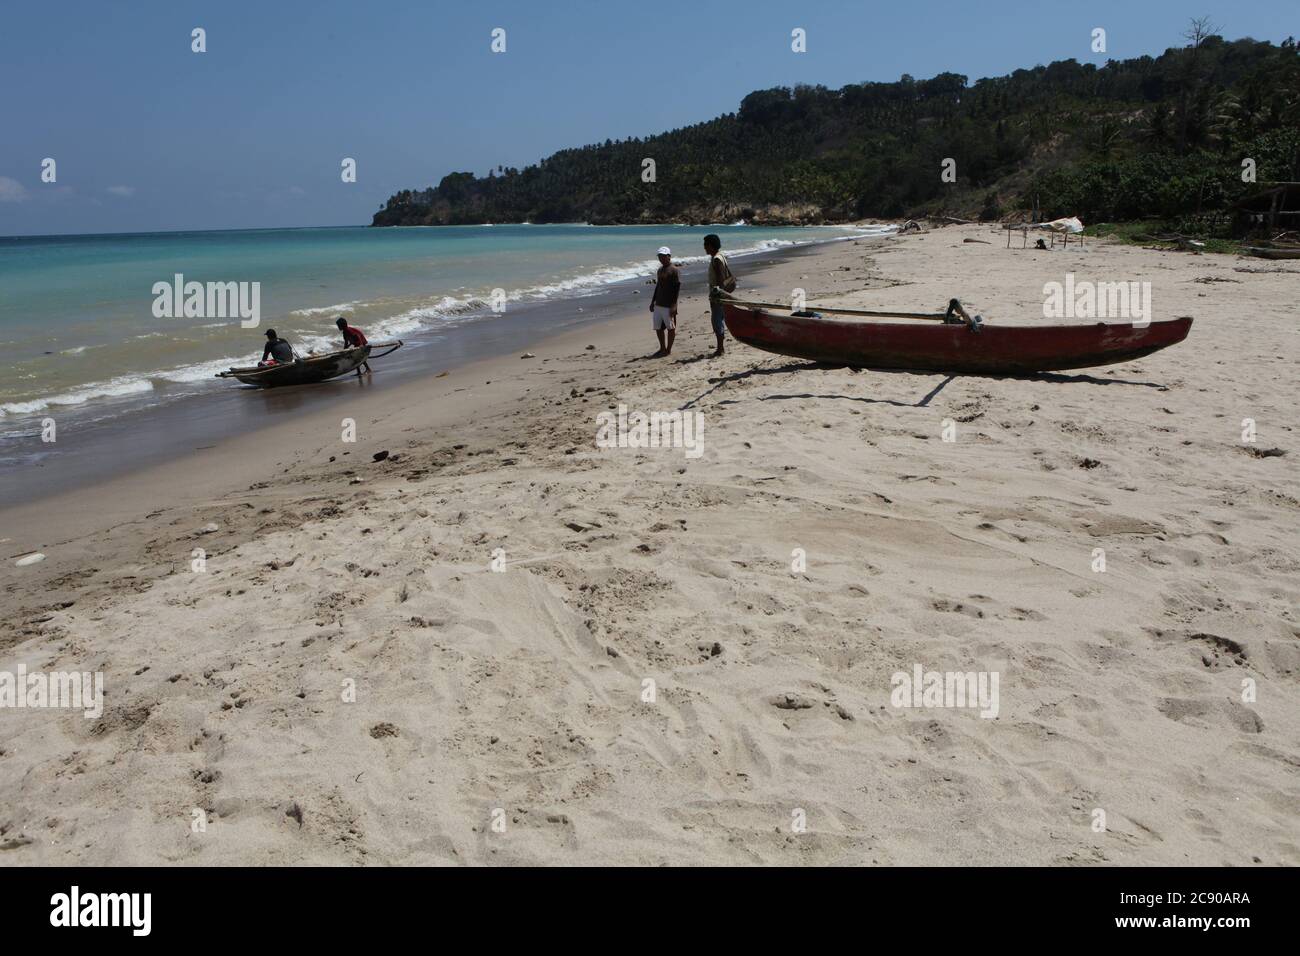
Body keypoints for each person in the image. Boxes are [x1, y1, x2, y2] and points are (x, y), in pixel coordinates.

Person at [704, 233, 737, 357]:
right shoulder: (720, 255)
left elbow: (720, 279)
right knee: (720, 319)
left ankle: (720, 348)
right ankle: (720, 347)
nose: (704, 248)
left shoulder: (717, 260)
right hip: (723, 293)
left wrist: (717, 296)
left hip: (718, 294)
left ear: (711, 246)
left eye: (706, 245)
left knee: (717, 320)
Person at [648, 246, 680, 357]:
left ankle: (668, 349)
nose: (661, 258)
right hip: (659, 304)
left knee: (671, 328)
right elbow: (658, 287)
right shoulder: (660, 270)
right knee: (658, 327)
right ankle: (662, 347)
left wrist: (674, 305)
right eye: (660, 256)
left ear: (669, 256)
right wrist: (653, 302)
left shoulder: (674, 270)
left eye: (663, 256)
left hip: (668, 305)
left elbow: (677, 288)